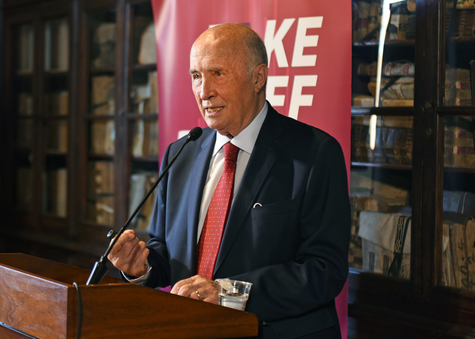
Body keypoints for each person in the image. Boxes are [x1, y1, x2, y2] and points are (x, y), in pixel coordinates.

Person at [108, 23, 351, 339]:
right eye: (196, 76)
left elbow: (324, 270)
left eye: (217, 73)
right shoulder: (180, 153)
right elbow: (166, 252)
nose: (203, 91)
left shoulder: (315, 152)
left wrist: (228, 293)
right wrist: (141, 267)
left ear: (258, 78)